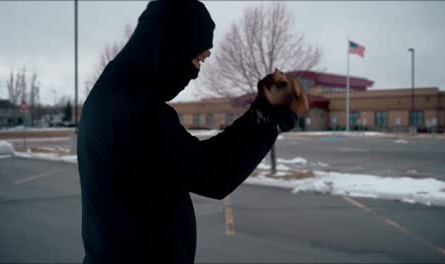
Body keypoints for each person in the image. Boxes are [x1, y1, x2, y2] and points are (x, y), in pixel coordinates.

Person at [77, 0, 307, 263]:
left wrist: (263, 114)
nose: (196, 73)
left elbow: (192, 161)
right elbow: (213, 172)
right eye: (198, 59)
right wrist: (269, 114)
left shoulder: (110, 95)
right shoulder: (134, 108)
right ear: (168, 44)